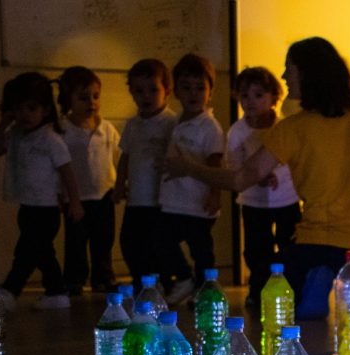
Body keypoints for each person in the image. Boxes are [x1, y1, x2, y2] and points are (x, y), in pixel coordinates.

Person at [165, 36, 350, 318]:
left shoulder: (292, 129)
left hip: (319, 244)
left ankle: (321, 275)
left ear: (306, 74)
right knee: (337, 259)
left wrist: (189, 168)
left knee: (275, 273)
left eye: (288, 68)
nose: (283, 76)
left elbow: (240, 180)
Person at [0, 72, 83, 311]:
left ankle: (11, 291)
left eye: (31, 108)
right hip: (28, 206)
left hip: (46, 209)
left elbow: (68, 172)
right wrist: (3, 122)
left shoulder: (50, 139)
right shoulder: (16, 135)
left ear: (45, 110)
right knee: (38, 252)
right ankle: (55, 292)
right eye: (18, 109)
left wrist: (74, 202)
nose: (25, 115)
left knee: (29, 251)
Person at [228, 66, 301, 308]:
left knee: (290, 244)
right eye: (244, 95)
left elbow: (293, 159)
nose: (250, 101)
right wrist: (255, 177)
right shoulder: (237, 132)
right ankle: (258, 289)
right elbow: (234, 166)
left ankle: (291, 288)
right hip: (253, 201)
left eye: (258, 95)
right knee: (256, 249)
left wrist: (276, 174)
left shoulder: (282, 127)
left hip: (287, 198)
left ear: (273, 98)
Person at [158, 52, 224, 306]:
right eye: (186, 87)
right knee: (162, 240)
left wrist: (215, 194)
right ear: (176, 91)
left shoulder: (209, 126)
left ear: (210, 92)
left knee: (202, 251)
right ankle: (185, 278)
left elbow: (216, 163)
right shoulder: (176, 121)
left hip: (198, 203)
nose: (193, 94)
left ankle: (205, 290)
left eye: (200, 88)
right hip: (174, 200)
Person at [113, 58, 177, 289]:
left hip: (161, 199)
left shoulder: (171, 122)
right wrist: (119, 184)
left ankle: (163, 281)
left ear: (167, 91)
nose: (146, 96)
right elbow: (126, 156)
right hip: (136, 198)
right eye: (139, 91)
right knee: (130, 242)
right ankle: (140, 280)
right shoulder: (133, 124)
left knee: (159, 243)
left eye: (153, 90)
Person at [57, 66, 120, 295]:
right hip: (75, 197)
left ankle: (103, 277)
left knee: (103, 239)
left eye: (95, 96)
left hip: (104, 193)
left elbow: (118, 156)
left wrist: (120, 184)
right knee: (76, 240)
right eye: (83, 98)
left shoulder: (106, 128)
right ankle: (74, 279)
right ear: (69, 99)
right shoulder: (62, 129)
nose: (91, 103)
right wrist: (60, 194)